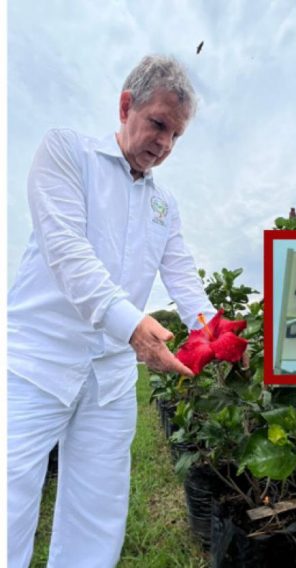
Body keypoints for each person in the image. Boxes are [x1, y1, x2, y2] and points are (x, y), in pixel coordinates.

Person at [8, 55, 221, 567]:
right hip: (34, 360)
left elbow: (182, 275)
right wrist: (132, 326)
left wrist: (216, 332)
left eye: (177, 136)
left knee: (98, 508)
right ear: (127, 106)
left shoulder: (164, 205)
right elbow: (67, 253)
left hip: (109, 375)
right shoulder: (66, 153)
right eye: (159, 124)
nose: (165, 144)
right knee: (9, 498)